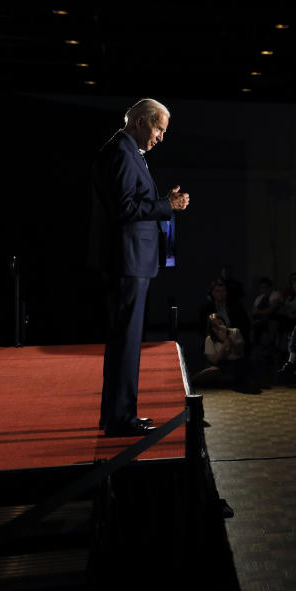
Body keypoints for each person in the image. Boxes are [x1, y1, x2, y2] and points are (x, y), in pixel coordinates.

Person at [90, 98, 188, 437]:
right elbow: (124, 209)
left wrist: (163, 202)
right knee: (126, 342)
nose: (161, 136)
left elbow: (130, 202)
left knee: (127, 342)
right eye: (159, 128)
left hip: (133, 259)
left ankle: (119, 415)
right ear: (141, 122)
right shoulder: (121, 151)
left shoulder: (126, 151)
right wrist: (166, 205)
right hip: (129, 260)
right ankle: (120, 419)